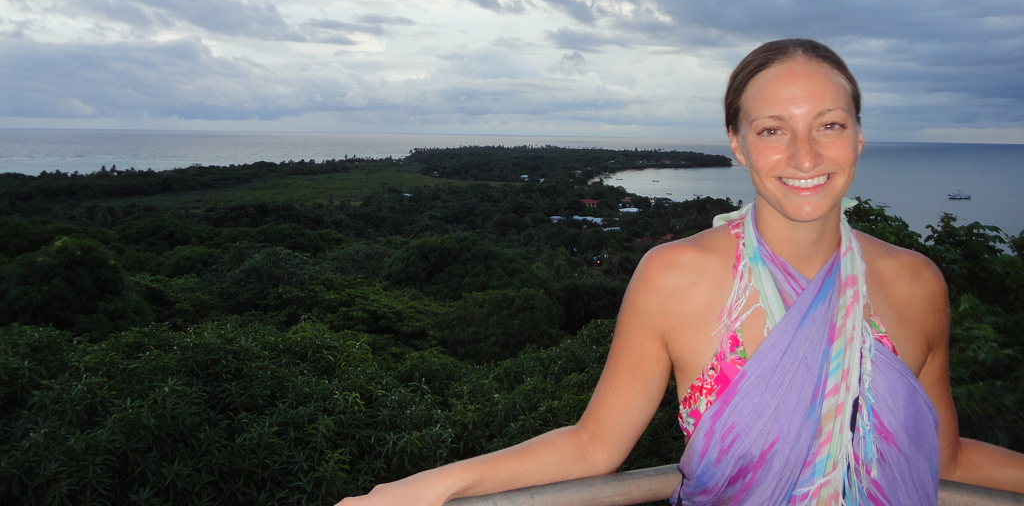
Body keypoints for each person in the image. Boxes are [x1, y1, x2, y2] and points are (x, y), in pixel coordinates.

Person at [337, 39, 1024, 506]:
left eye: (830, 125)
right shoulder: (675, 276)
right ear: (737, 145)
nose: (805, 154)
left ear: (860, 136)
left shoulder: (914, 282)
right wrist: (434, 486)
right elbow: (593, 445)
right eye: (773, 129)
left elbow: (946, 459)